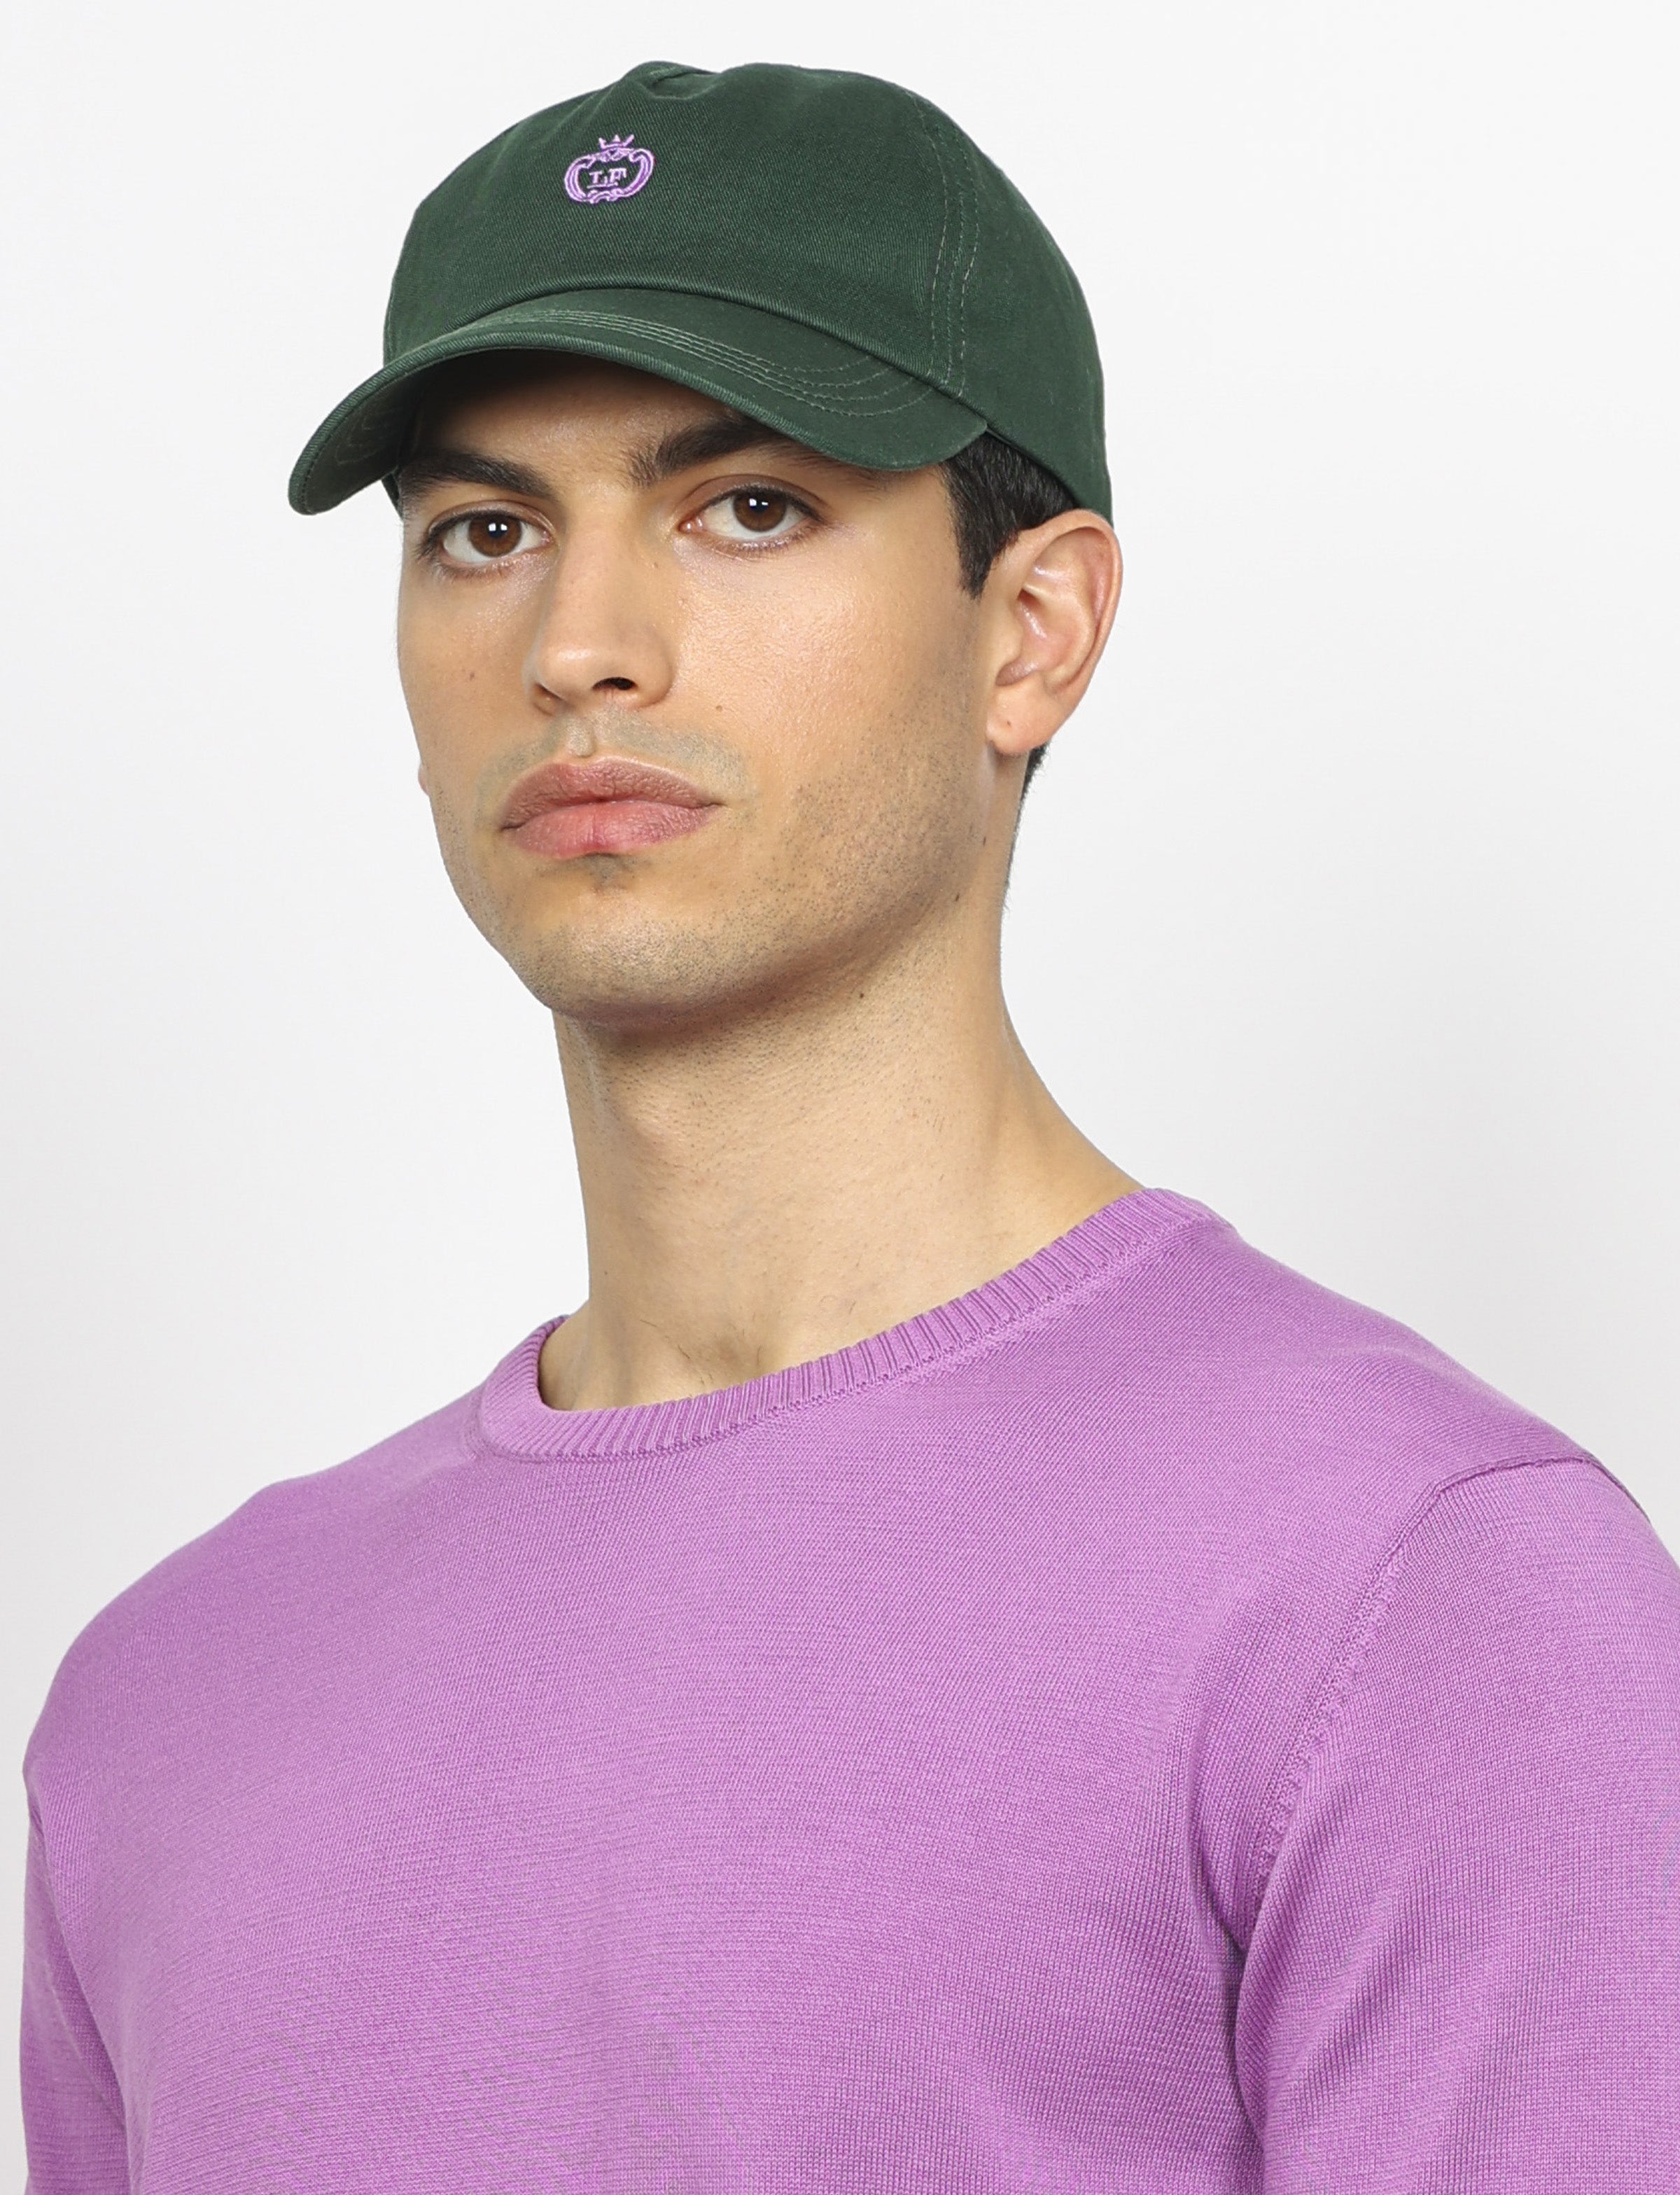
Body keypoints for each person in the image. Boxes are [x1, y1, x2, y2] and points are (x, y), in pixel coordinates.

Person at [20, 57, 1680, 2193]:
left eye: (749, 508)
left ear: (1035, 631)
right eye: (484, 532)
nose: (579, 647)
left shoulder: (1417, 1591)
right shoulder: (172, 1700)